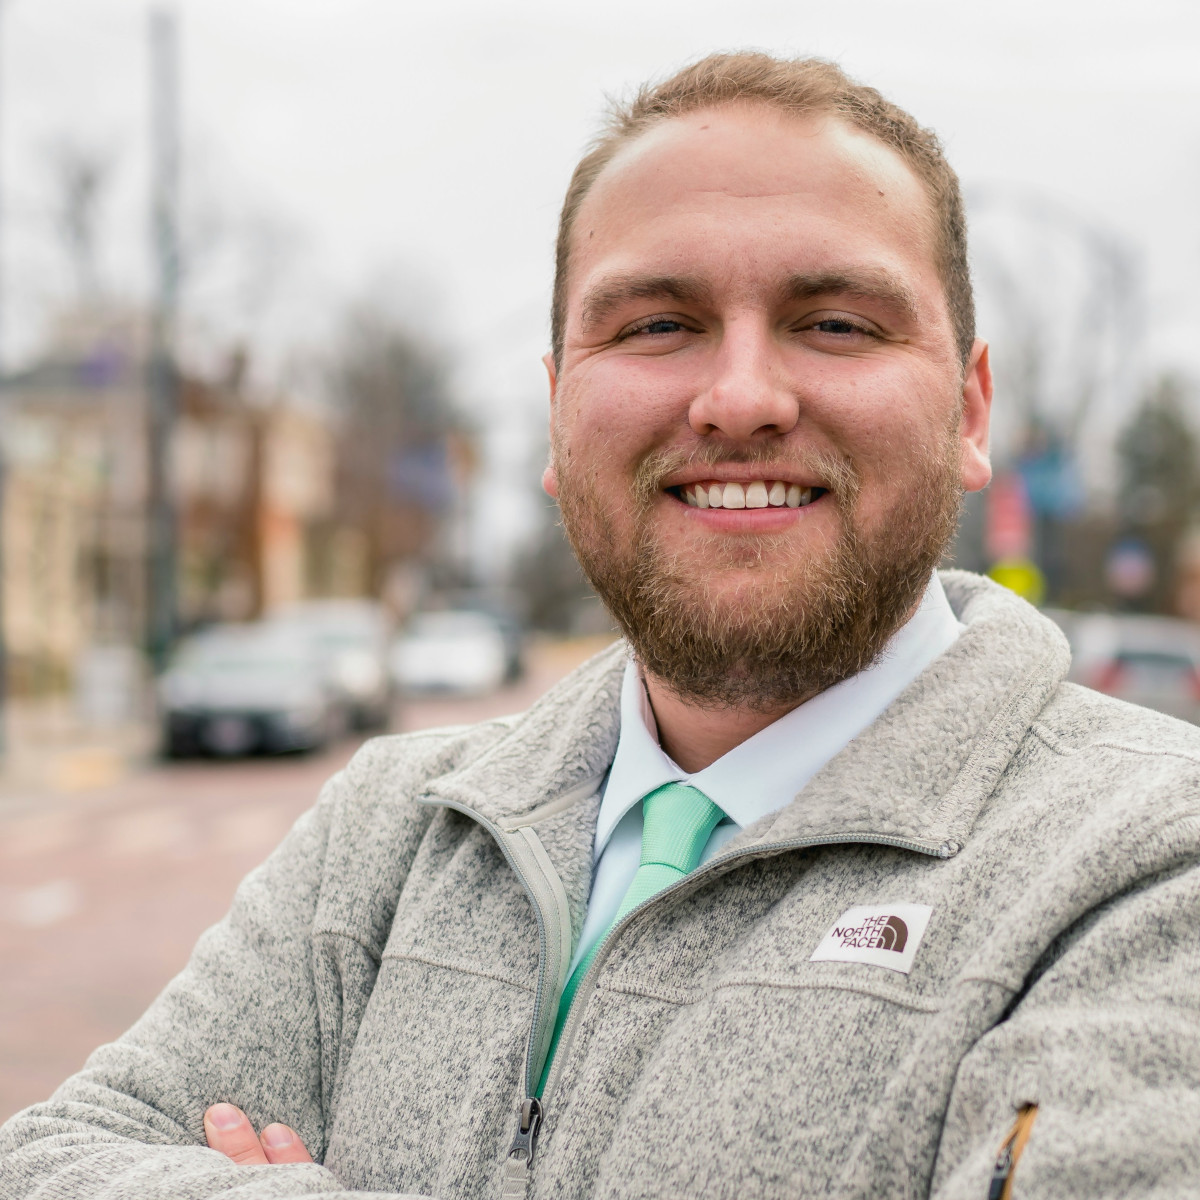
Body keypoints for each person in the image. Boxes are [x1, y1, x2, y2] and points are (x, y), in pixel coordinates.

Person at [4, 50, 1200, 1200]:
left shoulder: (1147, 861)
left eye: (835, 322)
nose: (739, 399)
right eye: (655, 326)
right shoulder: (391, 830)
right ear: (557, 411)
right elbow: (56, 1160)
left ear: (970, 410)